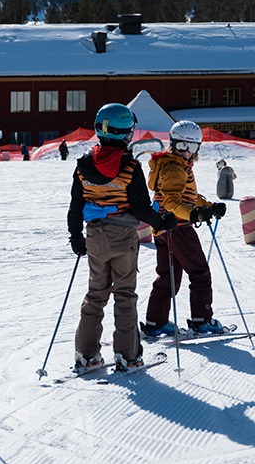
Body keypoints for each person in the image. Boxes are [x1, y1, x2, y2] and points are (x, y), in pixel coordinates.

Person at [68, 103, 177, 372]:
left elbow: (75, 206)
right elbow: (140, 208)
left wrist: (76, 237)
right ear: (126, 133)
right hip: (122, 236)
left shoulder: (82, 166)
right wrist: (163, 222)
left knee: (96, 294)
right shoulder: (130, 167)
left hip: (95, 235)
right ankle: (128, 356)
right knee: (125, 294)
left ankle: (87, 354)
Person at [143, 120, 228, 337]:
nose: (186, 152)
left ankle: (156, 321)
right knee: (200, 273)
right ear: (172, 144)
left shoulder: (170, 164)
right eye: (182, 146)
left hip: (163, 229)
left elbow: (186, 196)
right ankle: (202, 320)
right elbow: (172, 201)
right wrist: (193, 214)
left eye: (191, 147)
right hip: (178, 228)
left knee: (168, 276)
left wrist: (206, 206)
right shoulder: (175, 167)